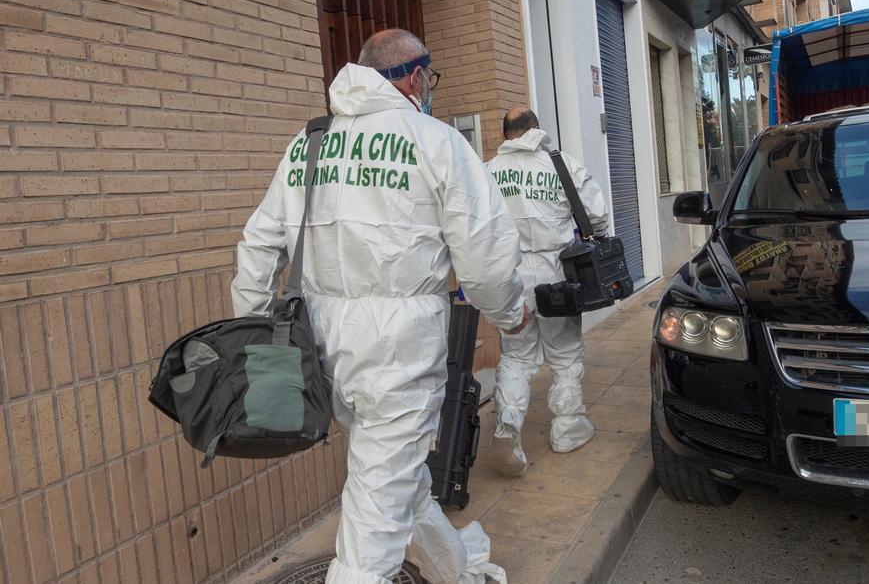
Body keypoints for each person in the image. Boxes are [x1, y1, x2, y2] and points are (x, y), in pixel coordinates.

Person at [231, 29, 531, 584]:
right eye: (431, 79)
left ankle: (454, 573)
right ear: (416, 76)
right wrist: (512, 313)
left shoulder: (310, 142)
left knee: (398, 481)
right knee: (372, 531)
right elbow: (486, 257)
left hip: (322, 346)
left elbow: (259, 245)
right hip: (398, 349)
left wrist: (252, 332)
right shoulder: (435, 142)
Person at [485, 107, 610, 476]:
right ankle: (567, 429)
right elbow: (598, 217)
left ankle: (508, 426)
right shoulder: (561, 164)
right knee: (565, 353)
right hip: (557, 275)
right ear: (536, 129)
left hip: (510, 276)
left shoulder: (489, 171)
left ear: (506, 134)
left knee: (518, 356)